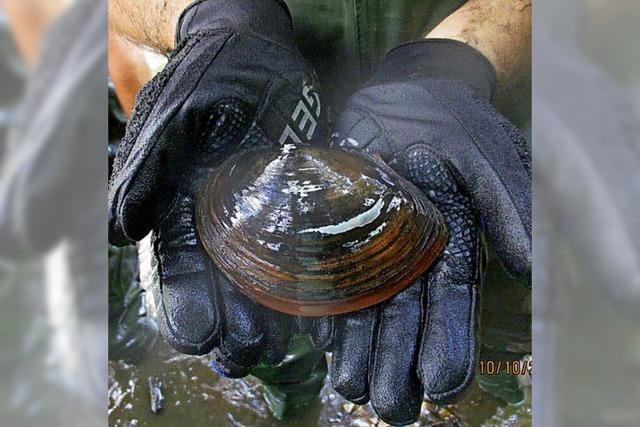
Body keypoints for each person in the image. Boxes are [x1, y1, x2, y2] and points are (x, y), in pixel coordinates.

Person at [108, 0, 531, 424]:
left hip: (469, 136)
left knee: (482, 336)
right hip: (250, 107)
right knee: (259, 341)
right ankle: (293, 401)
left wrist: (464, 54)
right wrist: (207, 17)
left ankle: (495, 392)